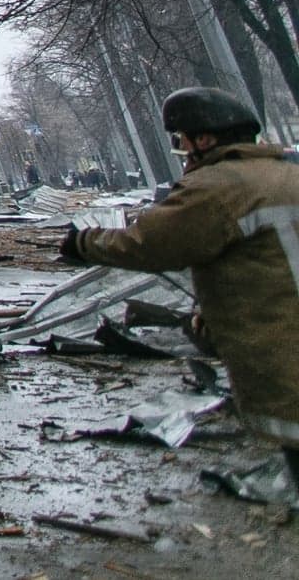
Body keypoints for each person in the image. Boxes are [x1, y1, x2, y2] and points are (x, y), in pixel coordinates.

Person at [63, 87, 299, 492]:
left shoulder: (217, 186)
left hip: (281, 336)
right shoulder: (289, 173)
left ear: (204, 139)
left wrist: (83, 243)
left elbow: (151, 244)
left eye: (184, 142)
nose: (184, 154)